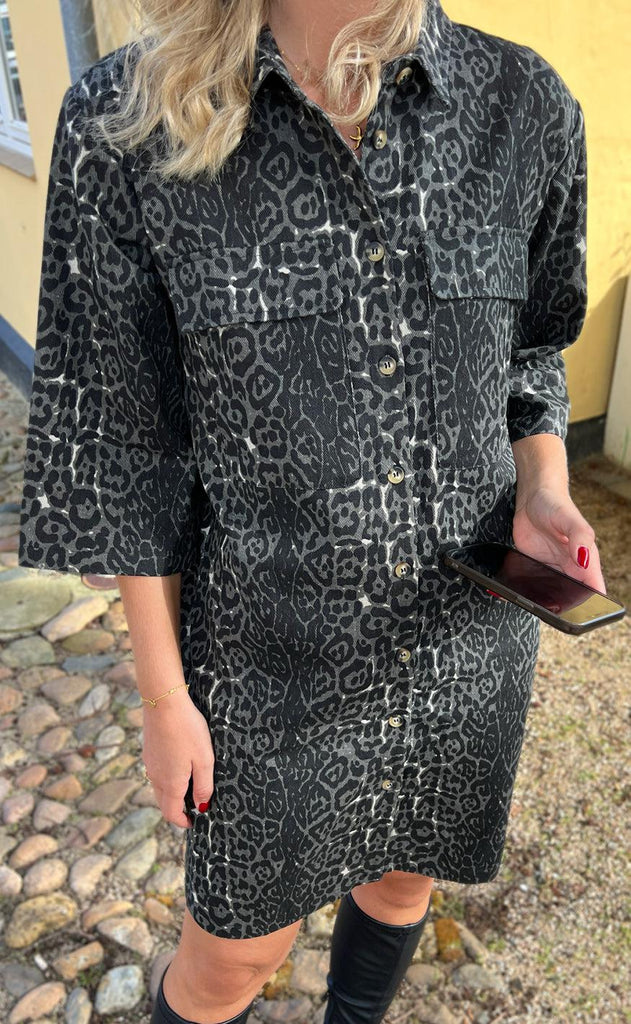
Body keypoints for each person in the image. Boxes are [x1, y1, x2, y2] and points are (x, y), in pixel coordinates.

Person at [17, 0, 605, 1022]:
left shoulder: (522, 105)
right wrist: (162, 698)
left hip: (460, 642)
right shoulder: (128, 122)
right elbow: (123, 444)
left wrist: (543, 484)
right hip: (264, 661)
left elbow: (530, 354)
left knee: (404, 881)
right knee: (231, 960)